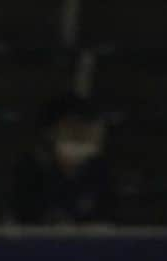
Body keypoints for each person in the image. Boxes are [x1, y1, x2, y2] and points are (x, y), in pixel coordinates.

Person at [10, 94, 116, 226]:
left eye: (93, 136)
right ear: (50, 133)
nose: (83, 141)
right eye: (75, 133)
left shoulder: (103, 174)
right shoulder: (26, 173)